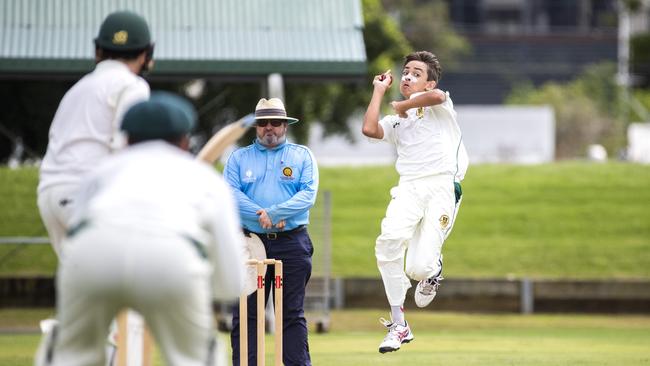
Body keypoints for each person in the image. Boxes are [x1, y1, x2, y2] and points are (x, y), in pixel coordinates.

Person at [44, 92, 246, 366]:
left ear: (126, 139)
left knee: (70, 356)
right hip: (172, 256)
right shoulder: (205, 180)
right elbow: (231, 282)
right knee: (196, 358)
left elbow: (75, 233)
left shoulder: (100, 173)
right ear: (186, 141)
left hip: (92, 254)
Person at [361, 51, 468, 353]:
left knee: (419, 268)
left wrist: (406, 104)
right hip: (408, 188)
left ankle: (432, 270)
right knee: (387, 243)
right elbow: (369, 129)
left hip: (440, 186)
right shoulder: (396, 122)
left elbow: (434, 98)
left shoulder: (440, 107)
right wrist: (379, 91)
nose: (407, 76)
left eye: (416, 73)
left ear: (429, 81)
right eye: (405, 71)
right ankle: (399, 325)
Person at [37, 10, 154, 257]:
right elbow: (126, 148)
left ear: (98, 50)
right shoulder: (133, 86)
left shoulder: (77, 89)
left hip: (49, 196)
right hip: (87, 195)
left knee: (85, 287)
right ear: (146, 54)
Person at [225, 98, 319, 366]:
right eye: (263, 123)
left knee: (291, 314)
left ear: (285, 125)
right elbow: (230, 194)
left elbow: (308, 195)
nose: (269, 128)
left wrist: (276, 213)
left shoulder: (302, 155)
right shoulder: (239, 157)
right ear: (256, 127)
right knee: (246, 313)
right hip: (250, 242)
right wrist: (261, 215)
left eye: (275, 123)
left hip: (291, 242)